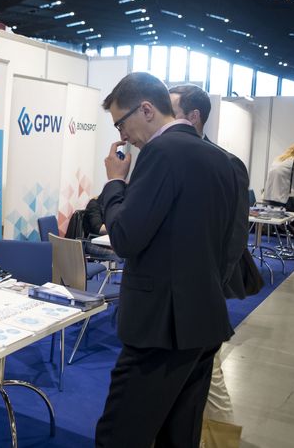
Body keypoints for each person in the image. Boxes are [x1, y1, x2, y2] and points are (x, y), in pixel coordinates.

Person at [95, 72, 238, 447]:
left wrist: (114, 182)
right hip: (203, 321)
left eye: (121, 124)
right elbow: (227, 244)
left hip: (160, 327)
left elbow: (125, 238)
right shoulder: (221, 159)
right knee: (178, 437)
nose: (123, 136)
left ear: (146, 110)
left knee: (119, 436)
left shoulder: (161, 152)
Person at [170, 84, 249, 441]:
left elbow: (234, 237)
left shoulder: (226, 164)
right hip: (167, 299)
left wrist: (211, 287)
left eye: (172, 112)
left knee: (210, 382)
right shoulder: (164, 157)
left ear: (194, 116)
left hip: (203, 296)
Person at [263, 143, 294, 230]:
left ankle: (283, 227)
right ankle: (293, 226)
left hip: (270, 201)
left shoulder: (278, 160)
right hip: (287, 202)